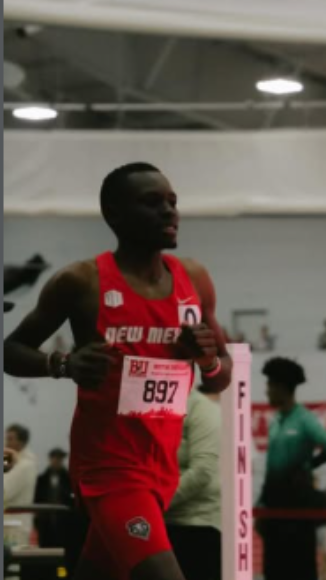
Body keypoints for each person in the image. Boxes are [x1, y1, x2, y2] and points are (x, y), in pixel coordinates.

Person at [2, 161, 232, 580]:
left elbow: (221, 376)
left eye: (172, 202)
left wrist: (207, 360)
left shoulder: (195, 280)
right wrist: (63, 364)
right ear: (114, 213)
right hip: (109, 471)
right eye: (152, 202)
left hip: (162, 470)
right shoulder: (81, 281)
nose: (169, 211)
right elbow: (11, 350)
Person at [257, 356, 326, 580]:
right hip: (274, 506)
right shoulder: (275, 421)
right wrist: (261, 502)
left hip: (297, 507)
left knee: (300, 568)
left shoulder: (305, 419)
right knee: (273, 570)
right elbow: (271, 465)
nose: (266, 391)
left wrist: (307, 467)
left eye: (269, 386)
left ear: (282, 388)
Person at [165, 388, 223, 580]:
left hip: (196, 526)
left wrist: (153, 504)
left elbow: (202, 473)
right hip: (159, 524)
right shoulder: (151, 407)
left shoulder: (201, 409)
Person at [3, 424, 37, 546]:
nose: (7, 443)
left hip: (15, 524)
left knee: (12, 563)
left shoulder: (25, 465)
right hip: (9, 523)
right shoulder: (11, 461)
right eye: (6, 438)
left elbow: (5, 492)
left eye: (11, 439)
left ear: (22, 442)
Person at [34, 448, 72, 548]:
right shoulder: (41, 479)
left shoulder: (69, 479)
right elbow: (36, 498)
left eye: (59, 458)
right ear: (50, 459)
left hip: (64, 520)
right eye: (54, 458)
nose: (56, 461)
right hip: (45, 520)